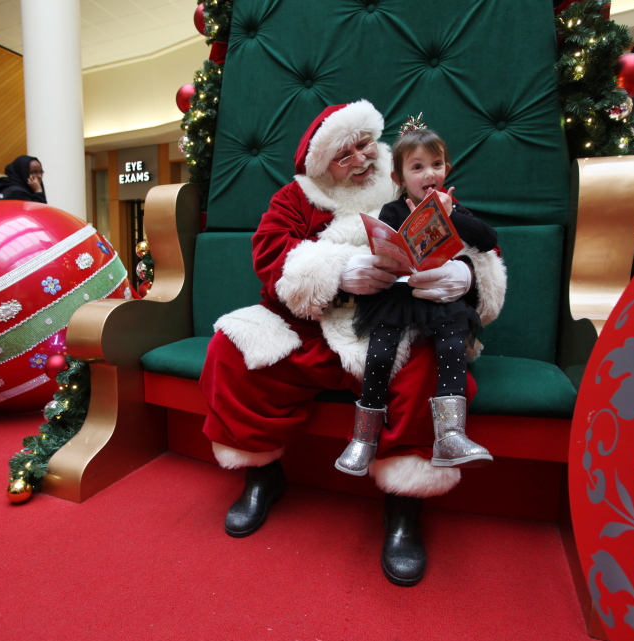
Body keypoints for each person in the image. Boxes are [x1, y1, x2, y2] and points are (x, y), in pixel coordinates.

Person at [199, 100, 506, 586]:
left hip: (404, 320)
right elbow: (271, 258)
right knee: (232, 351)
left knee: (429, 364)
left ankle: (404, 505)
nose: (362, 160)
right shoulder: (295, 199)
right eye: (345, 156)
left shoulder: (409, 171)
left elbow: (479, 242)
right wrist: (338, 274)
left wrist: (464, 277)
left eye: (364, 145)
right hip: (319, 324)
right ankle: (261, 476)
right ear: (322, 165)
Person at [335, 117, 499, 476]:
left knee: (452, 347)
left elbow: (487, 239)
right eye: (418, 167)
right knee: (379, 355)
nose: (429, 174)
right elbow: (380, 246)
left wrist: (451, 214)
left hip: (441, 298)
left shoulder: (454, 206)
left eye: (436, 165)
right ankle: (365, 438)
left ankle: (450, 435)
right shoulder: (393, 210)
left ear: (447, 170)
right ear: (399, 178)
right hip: (399, 298)